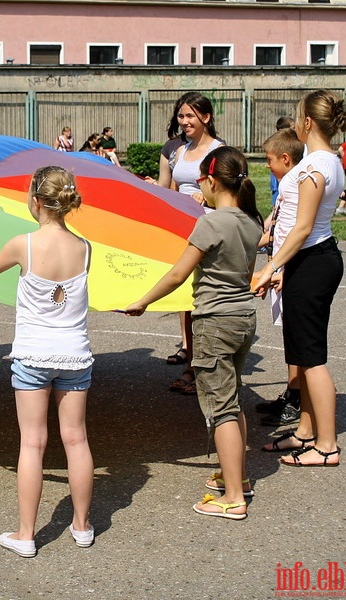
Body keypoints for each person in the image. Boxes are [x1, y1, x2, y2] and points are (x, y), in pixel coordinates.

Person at [0, 165, 95, 556]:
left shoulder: (22, 245)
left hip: (33, 355)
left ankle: (26, 535)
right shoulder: (84, 247)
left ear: (35, 200)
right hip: (75, 355)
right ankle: (81, 526)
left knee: (32, 443)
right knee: (76, 440)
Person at [127, 146, 263, 520]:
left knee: (220, 409)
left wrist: (142, 301)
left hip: (214, 323)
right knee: (232, 399)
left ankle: (233, 497)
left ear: (209, 180)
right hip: (243, 318)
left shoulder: (211, 223)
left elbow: (177, 274)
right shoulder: (253, 222)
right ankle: (239, 477)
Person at [252, 89, 346, 468]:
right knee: (302, 352)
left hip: (311, 261)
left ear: (307, 122)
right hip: (310, 261)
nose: (294, 122)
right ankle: (306, 431)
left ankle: (326, 445)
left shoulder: (313, 168)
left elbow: (302, 227)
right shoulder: (328, 161)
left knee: (312, 357)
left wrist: (271, 266)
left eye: (297, 116)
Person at [167, 92, 224, 394]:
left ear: (206, 117)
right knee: (187, 300)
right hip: (182, 228)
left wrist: (207, 197)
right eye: (181, 116)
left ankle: (206, 368)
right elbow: (173, 188)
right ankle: (192, 363)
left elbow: (230, 194)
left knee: (205, 299)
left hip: (209, 228)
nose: (185, 121)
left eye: (190, 116)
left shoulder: (219, 151)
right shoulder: (180, 151)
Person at [255, 128, 305, 427]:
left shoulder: (296, 185)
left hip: (289, 267)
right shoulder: (288, 182)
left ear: (285, 159)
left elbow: (299, 233)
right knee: (289, 335)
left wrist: (282, 269)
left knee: (297, 338)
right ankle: (292, 391)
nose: (267, 165)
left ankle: (297, 398)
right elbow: (275, 229)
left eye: (269, 159)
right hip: (282, 265)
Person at [269, 117, 296, 206]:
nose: (295, 130)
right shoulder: (278, 145)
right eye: (293, 128)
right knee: (278, 199)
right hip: (279, 178)